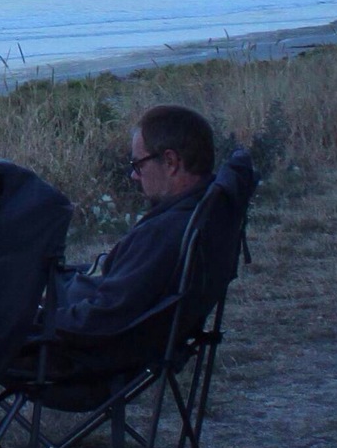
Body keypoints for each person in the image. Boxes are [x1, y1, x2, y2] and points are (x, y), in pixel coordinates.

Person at [43, 104, 254, 363]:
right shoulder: (204, 215)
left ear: (171, 162)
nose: (134, 175)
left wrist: (30, 319)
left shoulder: (165, 232)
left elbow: (98, 320)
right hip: (105, 323)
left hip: (75, 355)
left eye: (138, 164)